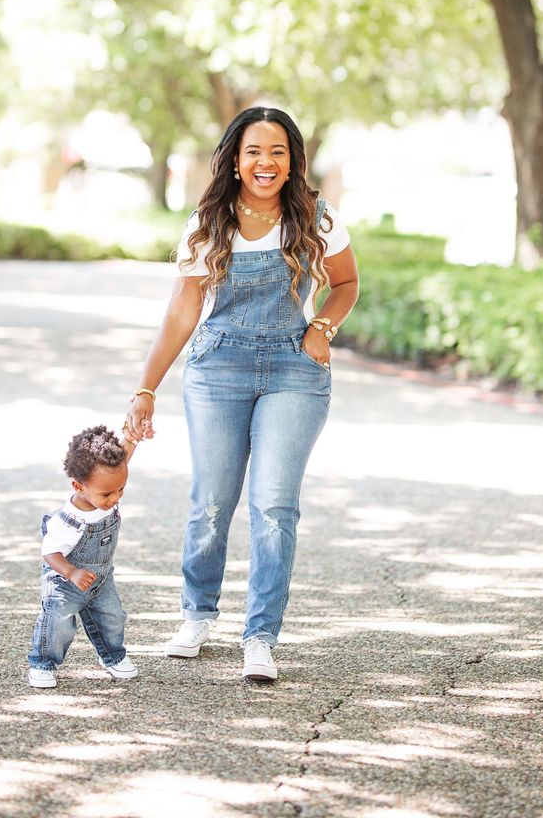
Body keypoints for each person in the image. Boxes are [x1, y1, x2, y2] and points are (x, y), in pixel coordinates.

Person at [123, 107, 359, 682]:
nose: (265, 163)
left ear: (293, 160)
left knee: (274, 505)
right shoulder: (207, 222)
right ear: (233, 158)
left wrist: (320, 329)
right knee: (211, 502)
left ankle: (261, 635)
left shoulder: (317, 217)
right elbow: (183, 309)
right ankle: (197, 615)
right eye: (254, 151)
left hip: (293, 370)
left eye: (278, 152)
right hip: (217, 368)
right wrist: (145, 387)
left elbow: (346, 284)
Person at [27, 425, 138, 688]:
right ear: (79, 486)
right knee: (58, 622)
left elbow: (122, 458)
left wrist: (133, 437)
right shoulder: (66, 521)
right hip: (66, 580)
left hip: (101, 578)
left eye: (121, 489)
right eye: (107, 494)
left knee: (113, 617)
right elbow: (50, 553)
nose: (115, 498)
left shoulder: (107, 487)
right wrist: (71, 573)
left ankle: (112, 656)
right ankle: (43, 662)